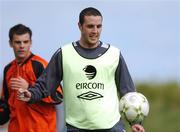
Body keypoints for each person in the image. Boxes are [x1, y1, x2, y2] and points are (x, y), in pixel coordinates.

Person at [16, 7, 145, 132]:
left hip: (112, 127)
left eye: (98, 26)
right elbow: (45, 84)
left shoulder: (114, 54)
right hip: (76, 127)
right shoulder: (64, 53)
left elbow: (128, 92)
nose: (95, 31)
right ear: (80, 26)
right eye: (90, 26)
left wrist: (135, 122)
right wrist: (31, 94)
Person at [0, 24, 62, 132]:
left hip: (41, 128)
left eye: (25, 42)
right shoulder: (8, 69)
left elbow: (58, 96)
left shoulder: (40, 65)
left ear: (30, 42)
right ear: (11, 43)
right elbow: (5, 105)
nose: (22, 46)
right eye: (18, 42)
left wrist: (30, 88)